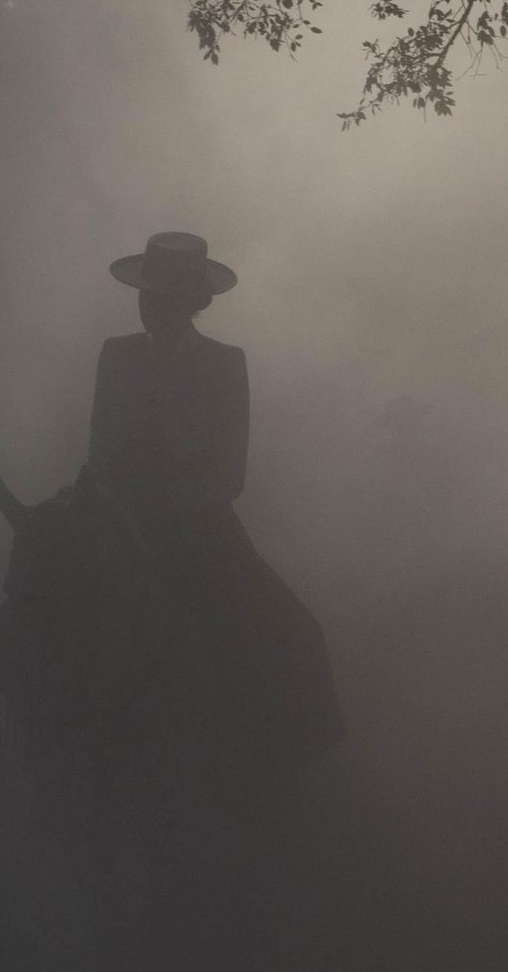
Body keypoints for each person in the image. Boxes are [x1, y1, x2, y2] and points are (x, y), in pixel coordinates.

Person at [87, 230, 342, 763]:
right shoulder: (116, 355)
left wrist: (168, 506)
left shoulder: (226, 364)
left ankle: (295, 756)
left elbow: (230, 473)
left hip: (199, 528)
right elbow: (99, 448)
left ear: (193, 304)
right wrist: (109, 503)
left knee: (297, 633)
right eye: (147, 295)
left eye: (163, 298)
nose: (149, 307)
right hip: (115, 517)